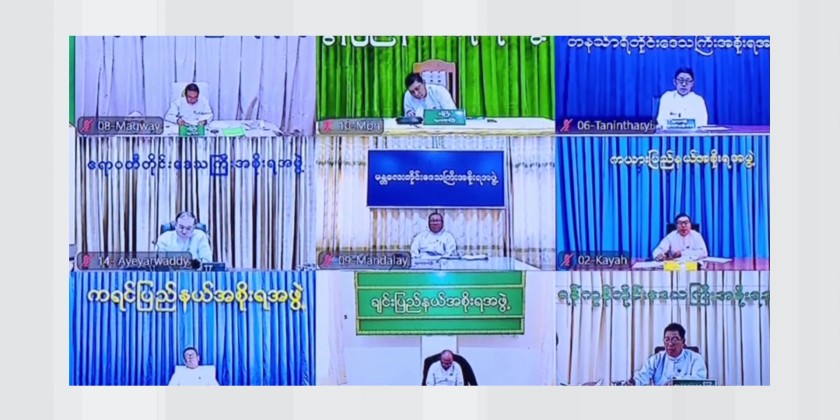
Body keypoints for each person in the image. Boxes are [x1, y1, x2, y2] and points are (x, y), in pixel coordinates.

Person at [626, 323, 708, 386]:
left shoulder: (695, 358)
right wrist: (634, 383)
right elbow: (642, 376)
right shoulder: (656, 359)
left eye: (674, 340)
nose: (670, 344)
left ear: (683, 342)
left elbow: (699, 379)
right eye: (667, 339)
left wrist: (675, 382)